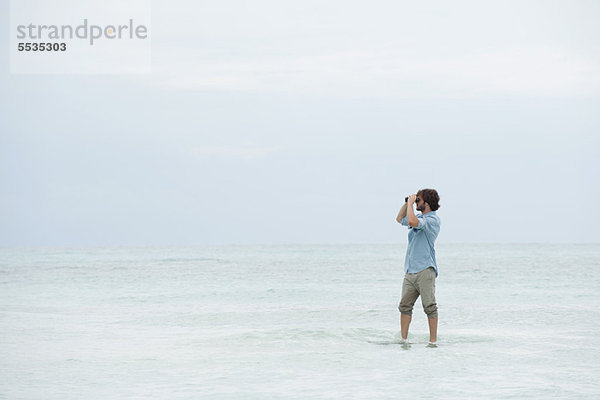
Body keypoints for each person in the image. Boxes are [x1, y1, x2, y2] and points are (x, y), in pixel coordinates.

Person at [395, 188, 441, 347]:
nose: (416, 203)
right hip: (410, 270)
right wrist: (407, 202)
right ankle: (403, 339)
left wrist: (410, 205)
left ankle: (433, 342)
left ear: (426, 203)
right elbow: (400, 218)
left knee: (429, 307)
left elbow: (413, 222)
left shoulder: (432, 220)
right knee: (404, 306)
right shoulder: (417, 216)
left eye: (418, 200)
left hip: (425, 270)